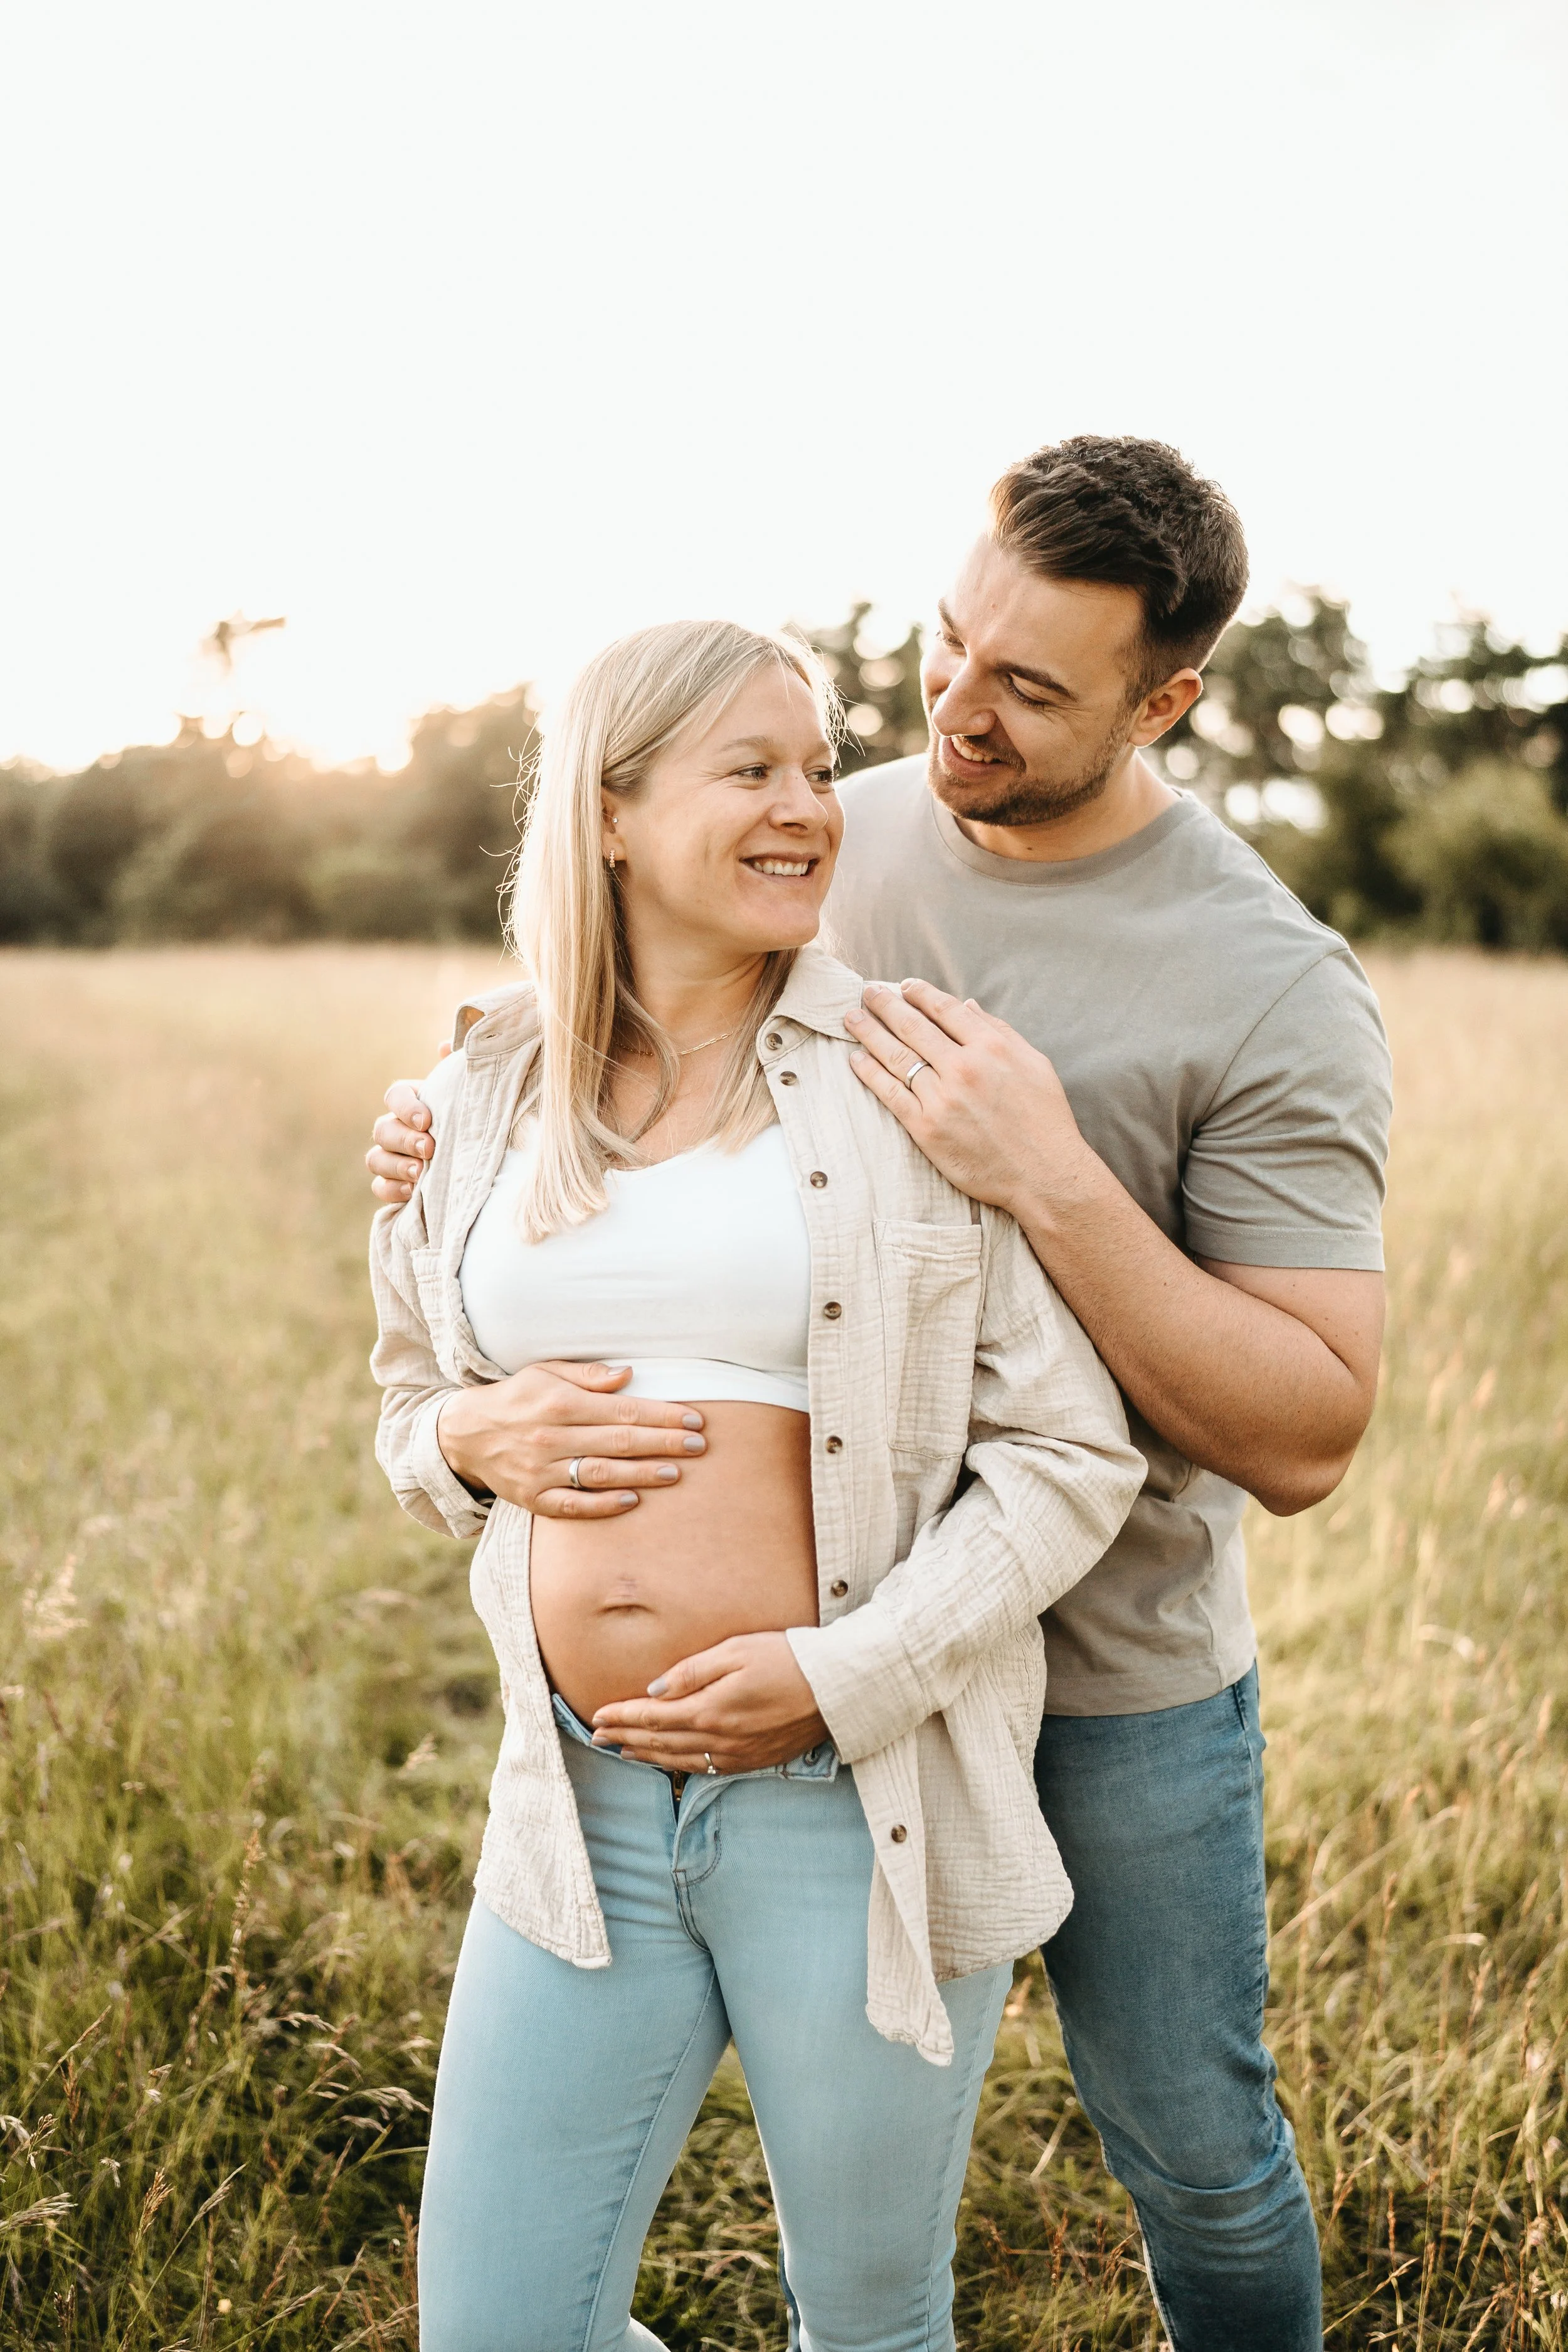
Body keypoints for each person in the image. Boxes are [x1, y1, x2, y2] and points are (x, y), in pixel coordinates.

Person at [370, 615, 1145, 2351]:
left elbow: (1067, 1453)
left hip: (852, 1808)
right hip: (577, 1806)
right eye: (752, 769)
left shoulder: (908, 1074)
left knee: (866, 2321)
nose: (809, 804)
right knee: (496, 2324)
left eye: (817, 766)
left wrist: (838, 1673)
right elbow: (412, 1396)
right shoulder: (479, 1086)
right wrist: (459, 1444)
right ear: (613, 812)